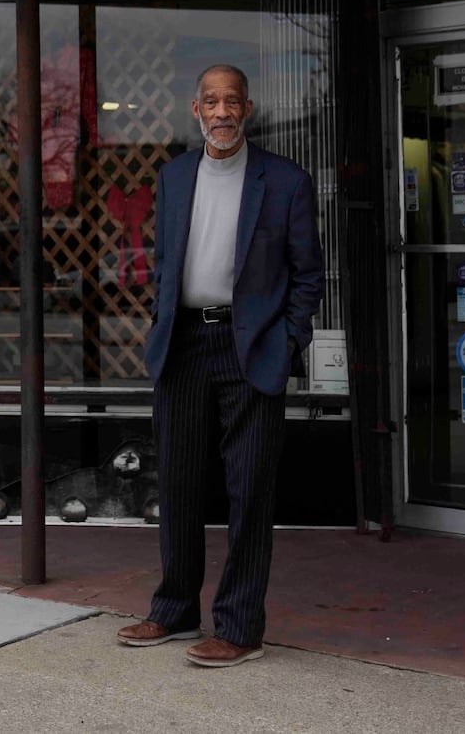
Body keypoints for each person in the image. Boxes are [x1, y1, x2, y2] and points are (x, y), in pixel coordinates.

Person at [116, 64, 323, 668]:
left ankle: (239, 627)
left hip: (251, 347)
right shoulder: (174, 176)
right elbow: (164, 262)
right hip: (183, 345)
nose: (223, 111)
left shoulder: (284, 181)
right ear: (196, 110)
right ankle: (175, 608)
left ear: (248, 110)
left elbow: (307, 275)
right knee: (177, 483)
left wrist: (289, 342)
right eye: (212, 101)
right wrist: (162, 320)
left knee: (249, 490)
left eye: (232, 101)